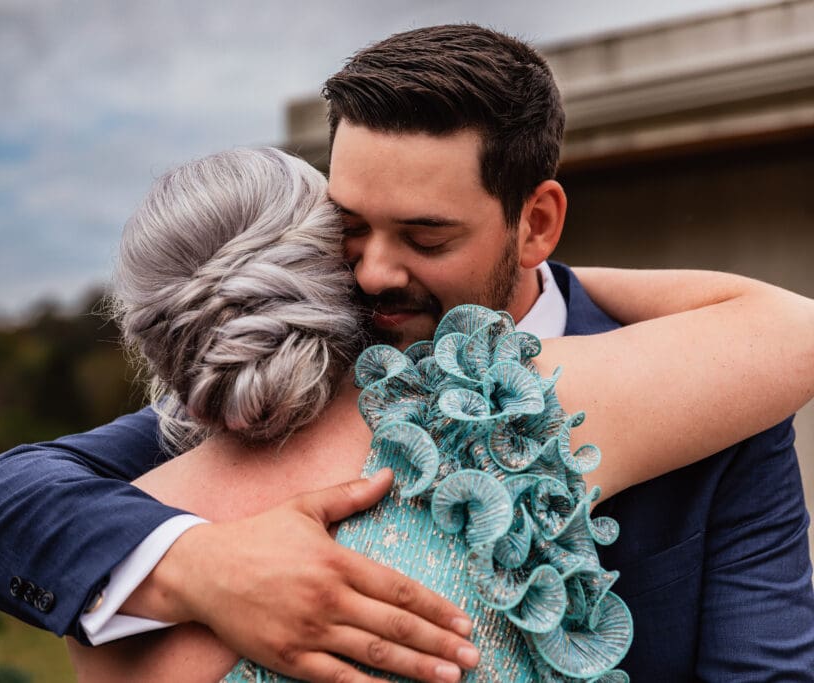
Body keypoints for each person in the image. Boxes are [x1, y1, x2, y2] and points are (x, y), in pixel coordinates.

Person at [0, 24, 814, 681]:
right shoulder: (295, 376)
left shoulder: (715, 389)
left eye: (426, 237)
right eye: (349, 228)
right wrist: (202, 567)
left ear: (536, 223)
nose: (375, 273)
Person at [58, 145, 814, 681]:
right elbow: (790, 328)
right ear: (332, 266)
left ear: (145, 325)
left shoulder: (110, 567)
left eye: (424, 236)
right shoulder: (486, 410)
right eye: (355, 233)